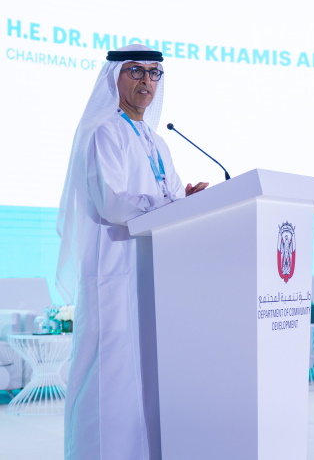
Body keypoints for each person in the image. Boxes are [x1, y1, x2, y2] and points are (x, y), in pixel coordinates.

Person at [57, 44, 208, 460]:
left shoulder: (157, 141)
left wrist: (190, 201)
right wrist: (171, 203)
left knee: (144, 374)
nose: (146, 81)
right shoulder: (104, 131)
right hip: (113, 269)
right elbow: (113, 203)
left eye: (154, 73)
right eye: (136, 71)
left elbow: (171, 197)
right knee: (109, 373)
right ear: (114, 78)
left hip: (153, 270)